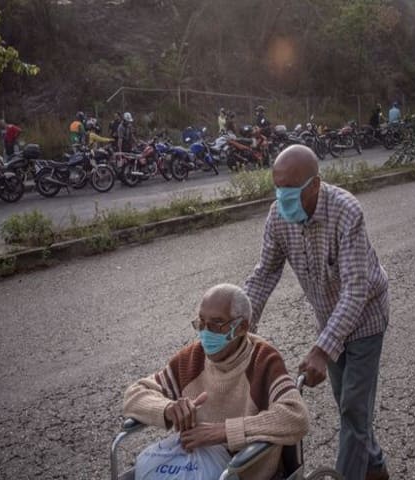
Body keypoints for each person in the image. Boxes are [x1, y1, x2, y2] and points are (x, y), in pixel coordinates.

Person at [244, 145, 390, 480]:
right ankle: (377, 467)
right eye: (277, 190)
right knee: (348, 406)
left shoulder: (346, 211)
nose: (282, 199)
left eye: (290, 192)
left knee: (354, 409)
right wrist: (240, 327)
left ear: (315, 185)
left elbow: (356, 289)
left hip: (366, 316)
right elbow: (264, 273)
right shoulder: (278, 216)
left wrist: (322, 350)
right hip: (330, 318)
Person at [123, 283, 309, 480]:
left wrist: (224, 431)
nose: (206, 332)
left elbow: (296, 416)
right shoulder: (193, 358)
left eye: (216, 323)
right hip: (199, 464)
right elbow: (135, 394)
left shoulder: (263, 360)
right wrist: (168, 408)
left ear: (242, 327)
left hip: (247, 471)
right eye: (201, 323)